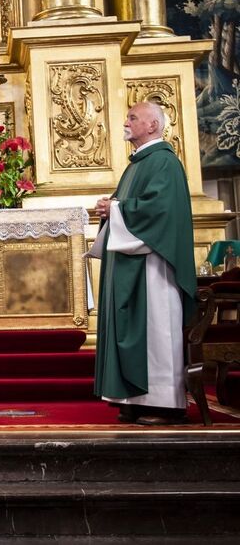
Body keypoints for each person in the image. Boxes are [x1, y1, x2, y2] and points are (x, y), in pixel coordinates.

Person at [91, 101, 197, 426]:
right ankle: (135, 399)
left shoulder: (163, 162)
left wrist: (118, 209)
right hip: (134, 262)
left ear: (152, 125)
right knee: (137, 329)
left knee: (155, 330)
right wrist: (112, 208)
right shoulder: (137, 164)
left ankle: (165, 403)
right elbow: (135, 205)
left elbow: (161, 211)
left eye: (133, 117)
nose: (127, 122)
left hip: (155, 267)